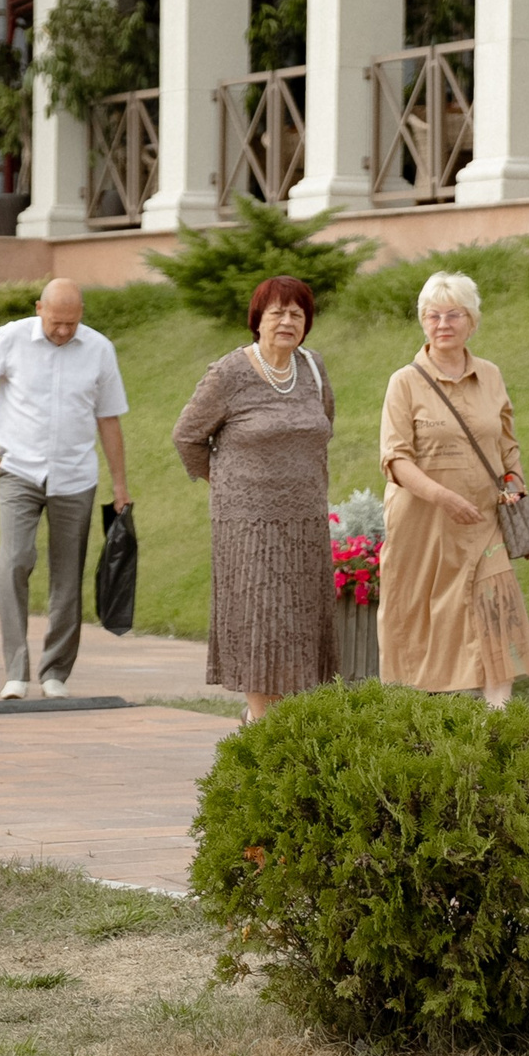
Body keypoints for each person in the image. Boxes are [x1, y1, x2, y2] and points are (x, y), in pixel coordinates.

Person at [0, 278, 132, 700]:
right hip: (18, 470)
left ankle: (55, 673)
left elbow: (109, 418)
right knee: (15, 560)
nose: (64, 331)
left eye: (72, 322)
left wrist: (120, 483)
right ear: (39, 309)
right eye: (56, 322)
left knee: (67, 575)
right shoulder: (11, 339)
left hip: (75, 477)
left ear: (81, 314)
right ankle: (15, 670)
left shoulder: (99, 349)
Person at [172, 275, 337, 723]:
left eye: (297, 314)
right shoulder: (230, 373)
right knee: (263, 624)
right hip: (249, 527)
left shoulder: (314, 369)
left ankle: (287, 722)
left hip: (305, 522)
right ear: (258, 320)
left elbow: (323, 429)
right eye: (277, 312)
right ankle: (261, 723)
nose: (287, 321)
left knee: (299, 625)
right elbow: (187, 436)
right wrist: (229, 484)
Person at [378, 271, 529, 708]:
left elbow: (507, 445)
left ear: (472, 321)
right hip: (424, 525)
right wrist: (443, 498)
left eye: (454, 314)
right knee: (433, 618)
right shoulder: (405, 382)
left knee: (498, 605)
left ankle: (497, 719)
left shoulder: (490, 375)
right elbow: (395, 459)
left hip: (483, 521)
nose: (443, 324)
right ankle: (433, 714)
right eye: (433, 315)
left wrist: (514, 484)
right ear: (422, 322)